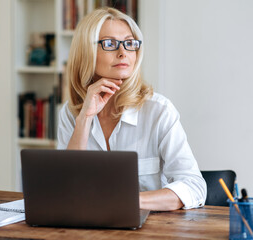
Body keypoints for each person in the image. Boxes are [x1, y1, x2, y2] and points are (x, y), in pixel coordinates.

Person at [57, 7, 206, 211]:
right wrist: (85, 118)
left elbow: (194, 187)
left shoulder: (159, 111)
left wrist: (128, 201)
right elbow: (64, 187)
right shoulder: (71, 112)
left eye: (129, 43)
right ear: (85, 52)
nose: (122, 53)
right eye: (109, 44)